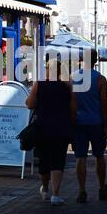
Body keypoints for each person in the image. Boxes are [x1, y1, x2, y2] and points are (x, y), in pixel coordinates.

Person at [26, 59, 76, 206]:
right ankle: (55, 194)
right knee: (58, 160)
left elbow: (30, 104)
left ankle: (46, 189)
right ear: (61, 71)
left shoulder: (39, 84)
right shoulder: (67, 87)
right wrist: (72, 125)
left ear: (47, 69)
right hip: (61, 128)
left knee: (44, 159)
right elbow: (73, 109)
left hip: (42, 128)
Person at [72, 49, 107, 203]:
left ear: (83, 59)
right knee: (99, 156)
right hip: (96, 123)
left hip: (79, 123)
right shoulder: (100, 79)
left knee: (80, 157)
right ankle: (102, 188)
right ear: (96, 60)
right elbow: (104, 104)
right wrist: (105, 124)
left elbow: (72, 102)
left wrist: (73, 121)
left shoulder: (74, 78)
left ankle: (82, 191)